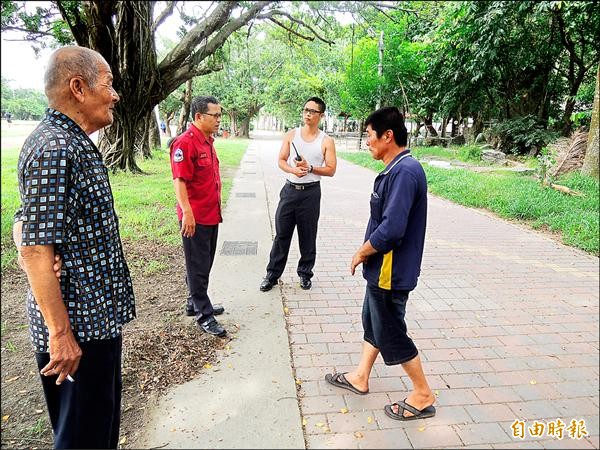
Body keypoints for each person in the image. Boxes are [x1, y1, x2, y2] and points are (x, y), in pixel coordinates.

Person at [12, 46, 135, 448]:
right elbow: (34, 249)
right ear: (78, 88)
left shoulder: (72, 142)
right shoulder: (55, 148)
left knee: (98, 431)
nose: (115, 94)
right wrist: (61, 333)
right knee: (82, 438)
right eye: (109, 84)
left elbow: (25, 221)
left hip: (96, 322)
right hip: (77, 333)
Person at [324, 106, 435, 421]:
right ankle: (360, 376)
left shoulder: (405, 171)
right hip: (383, 269)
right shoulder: (396, 168)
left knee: (390, 330)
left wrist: (361, 252)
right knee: (373, 321)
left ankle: (423, 393)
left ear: (388, 136)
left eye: (370, 136)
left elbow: (392, 228)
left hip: (391, 269)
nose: (366, 142)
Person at [259, 97, 337, 292]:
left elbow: (331, 169)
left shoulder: (326, 141)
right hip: (289, 191)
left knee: (308, 236)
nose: (307, 113)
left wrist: (310, 168)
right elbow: (281, 160)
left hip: (311, 194)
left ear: (321, 115)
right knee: (281, 235)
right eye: (305, 110)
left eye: (312, 111)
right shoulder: (292, 135)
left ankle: (305, 274)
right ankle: (272, 275)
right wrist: (293, 170)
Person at [169, 95, 226, 337]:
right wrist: (187, 213)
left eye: (220, 115)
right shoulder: (185, 143)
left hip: (211, 214)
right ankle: (204, 314)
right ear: (199, 117)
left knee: (204, 263)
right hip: (195, 218)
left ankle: (194, 303)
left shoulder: (207, 141)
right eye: (215, 115)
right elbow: (179, 181)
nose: (218, 120)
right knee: (197, 266)